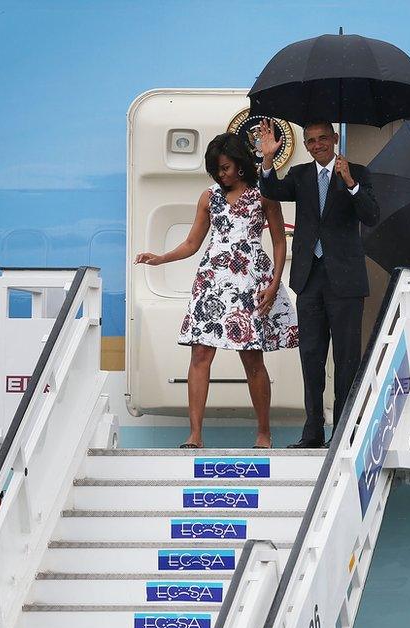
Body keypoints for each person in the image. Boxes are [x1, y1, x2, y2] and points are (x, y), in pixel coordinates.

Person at [134, 132, 297, 449]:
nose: (221, 174)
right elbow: (192, 243)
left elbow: (279, 241)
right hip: (212, 281)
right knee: (200, 354)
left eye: (225, 167)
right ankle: (195, 434)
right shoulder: (209, 197)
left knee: (252, 360)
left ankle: (264, 432)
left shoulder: (264, 194)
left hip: (251, 280)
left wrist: (275, 282)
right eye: (216, 170)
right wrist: (161, 258)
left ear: (239, 164)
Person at [256, 119, 380, 448]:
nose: (317, 145)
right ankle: (312, 432)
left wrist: (351, 183)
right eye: (311, 141)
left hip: (346, 281)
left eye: (323, 138)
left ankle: (342, 432)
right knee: (311, 356)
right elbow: (271, 190)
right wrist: (267, 159)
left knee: (346, 359)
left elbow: (371, 215)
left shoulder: (358, 172)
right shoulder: (299, 175)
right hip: (310, 279)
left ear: (335, 138)